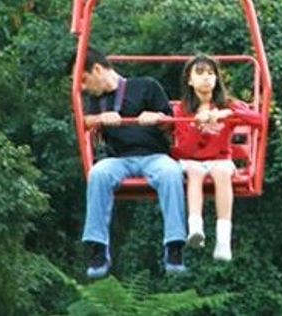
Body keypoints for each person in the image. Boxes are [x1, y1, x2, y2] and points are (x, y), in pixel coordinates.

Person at [73, 48, 188, 278]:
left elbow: (170, 123)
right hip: (118, 160)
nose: (83, 88)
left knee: (171, 172)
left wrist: (156, 118)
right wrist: (99, 119)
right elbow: (84, 121)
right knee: (98, 174)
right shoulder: (96, 101)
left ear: (96, 69)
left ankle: (174, 245)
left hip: (154, 156)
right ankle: (98, 247)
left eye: (83, 80)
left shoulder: (146, 86)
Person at [171, 55, 263, 262]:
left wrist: (227, 114)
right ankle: (195, 228)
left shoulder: (227, 104)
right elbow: (185, 148)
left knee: (222, 174)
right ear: (189, 80)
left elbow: (258, 120)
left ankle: (223, 240)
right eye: (200, 73)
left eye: (211, 73)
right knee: (194, 174)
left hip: (220, 160)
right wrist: (196, 126)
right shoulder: (182, 109)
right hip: (192, 160)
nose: (206, 78)